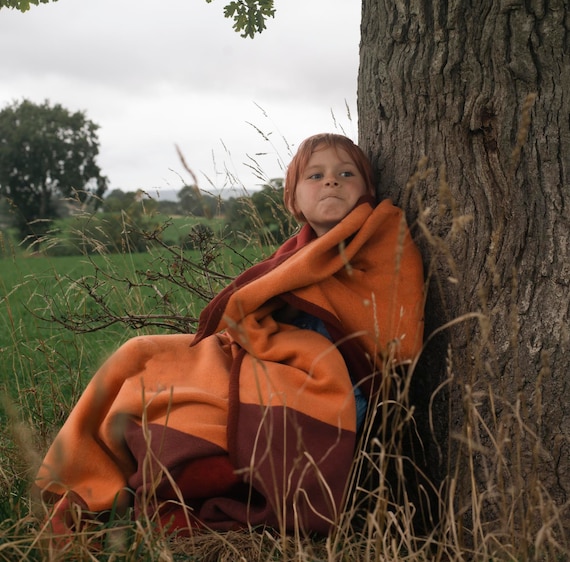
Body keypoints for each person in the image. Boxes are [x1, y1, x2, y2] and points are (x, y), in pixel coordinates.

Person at [35, 133, 425, 538]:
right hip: (265, 357)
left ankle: (183, 492)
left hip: (334, 384)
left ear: (369, 191)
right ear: (293, 199)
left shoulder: (380, 236)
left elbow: (396, 333)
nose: (331, 182)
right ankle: (87, 480)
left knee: (204, 420)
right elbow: (256, 312)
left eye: (346, 173)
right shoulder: (300, 250)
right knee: (142, 353)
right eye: (316, 175)